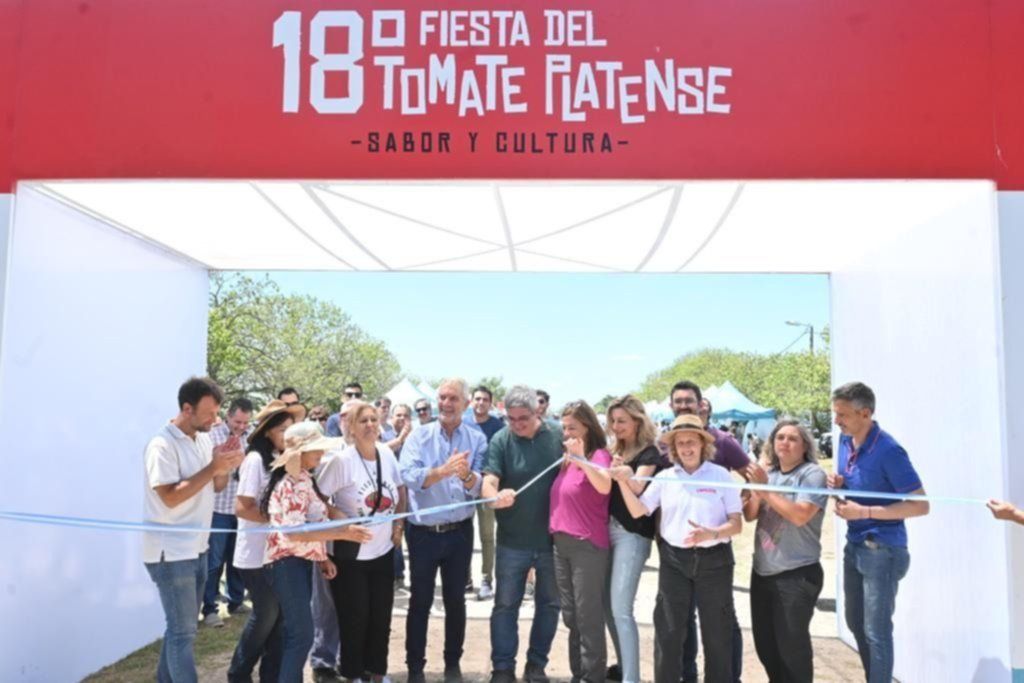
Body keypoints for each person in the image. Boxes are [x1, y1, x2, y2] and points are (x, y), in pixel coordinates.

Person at [614, 413, 742, 683]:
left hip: (715, 561)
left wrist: (711, 533)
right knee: (669, 632)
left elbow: (736, 524)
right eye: (680, 443)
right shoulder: (665, 478)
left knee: (717, 633)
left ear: (703, 444)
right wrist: (623, 481)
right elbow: (638, 510)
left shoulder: (721, 476)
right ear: (673, 447)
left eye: (691, 441)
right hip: (674, 561)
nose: (686, 448)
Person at [143, 377, 244, 683]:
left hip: (197, 547)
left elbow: (216, 486)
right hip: (171, 552)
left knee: (180, 630)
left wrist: (224, 466)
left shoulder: (202, 439)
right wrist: (213, 468)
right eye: (209, 413)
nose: (216, 420)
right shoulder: (161, 445)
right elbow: (170, 497)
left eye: (217, 413)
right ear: (187, 409)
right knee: (183, 632)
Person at [828, 382, 929, 683]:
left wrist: (864, 512)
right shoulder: (845, 440)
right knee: (855, 622)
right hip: (854, 545)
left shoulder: (889, 450)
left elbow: (920, 505)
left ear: (866, 413)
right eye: (835, 413)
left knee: (876, 632)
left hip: (883, 551)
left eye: (843, 415)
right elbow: (857, 483)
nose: (836, 421)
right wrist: (839, 484)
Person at [260, 422, 373, 683]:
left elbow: (313, 523)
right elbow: (294, 533)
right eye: (316, 449)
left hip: (299, 563)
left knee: (298, 633)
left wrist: (322, 557)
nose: (321, 454)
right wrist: (342, 533)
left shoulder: (305, 479)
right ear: (299, 453)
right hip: (286, 563)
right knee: (301, 634)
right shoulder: (288, 485)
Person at [400, 379, 486, 683]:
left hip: (459, 532)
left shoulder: (477, 439)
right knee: (420, 602)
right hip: (423, 533)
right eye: (442, 397)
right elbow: (409, 476)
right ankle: (415, 668)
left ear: (465, 404)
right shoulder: (418, 436)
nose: (446, 404)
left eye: (453, 398)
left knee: (456, 602)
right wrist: (443, 471)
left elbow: (479, 487)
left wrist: (466, 476)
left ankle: (452, 665)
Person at [320, 401, 407, 683]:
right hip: (350, 554)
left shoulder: (386, 454)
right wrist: (338, 516)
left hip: (383, 550)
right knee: (354, 618)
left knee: (381, 617)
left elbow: (400, 489)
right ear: (351, 428)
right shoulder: (342, 461)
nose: (370, 425)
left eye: (373, 419)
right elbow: (317, 497)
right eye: (363, 421)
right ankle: (353, 674)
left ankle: (377, 673)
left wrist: (398, 525)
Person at [482, 385, 563, 683]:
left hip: (552, 541)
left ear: (537, 411)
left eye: (523, 418)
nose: (516, 424)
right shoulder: (501, 439)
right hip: (512, 541)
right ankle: (503, 668)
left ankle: (536, 666)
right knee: (505, 606)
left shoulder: (558, 435)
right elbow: (488, 481)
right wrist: (493, 497)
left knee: (549, 605)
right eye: (511, 418)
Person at [669, 381, 747, 682]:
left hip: (713, 547)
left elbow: (751, 476)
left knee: (721, 620)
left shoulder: (724, 441)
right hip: (675, 548)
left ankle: (730, 677)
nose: (683, 405)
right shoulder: (667, 442)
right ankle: (688, 675)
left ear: (701, 404)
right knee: (682, 619)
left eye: (688, 400)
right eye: (678, 401)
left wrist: (734, 507)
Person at [742, 419, 827, 683]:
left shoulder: (812, 474)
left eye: (792, 438)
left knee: (792, 648)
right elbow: (750, 515)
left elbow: (801, 515)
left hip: (797, 573)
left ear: (805, 446)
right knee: (766, 645)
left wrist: (764, 489)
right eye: (780, 437)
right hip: (762, 572)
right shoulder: (770, 474)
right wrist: (754, 489)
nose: (785, 443)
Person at [228, 399, 306, 682]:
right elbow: (242, 507)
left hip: (278, 554)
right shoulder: (254, 461)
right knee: (265, 615)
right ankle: (238, 672)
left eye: (291, 428)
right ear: (267, 431)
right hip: (254, 554)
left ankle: (270, 675)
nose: (288, 434)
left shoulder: (284, 460)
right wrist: (278, 519)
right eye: (282, 429)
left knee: (280, 617)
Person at [550, 401, 612, 683]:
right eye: (564, 428)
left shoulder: (598, 455)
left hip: (587, 545)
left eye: (572, 427)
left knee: (588, 615)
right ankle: (580, 673)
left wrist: (580, 459)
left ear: (587, 427)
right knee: (571, 615)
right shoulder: (567, 459)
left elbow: (604, 485)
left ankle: (592, 676)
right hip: (561, 544)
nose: (566, 433)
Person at [604, 395, 664, 683]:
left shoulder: (650, 452)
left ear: (637, 421)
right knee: (608, 607)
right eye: (613, 421)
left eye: (622, 421)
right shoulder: (614, 450)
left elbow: (639, 489)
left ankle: (632, 678)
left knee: (621, 609)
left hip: (633, 535)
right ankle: (624, 668)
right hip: (607, 531)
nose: (616, 426)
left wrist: (625, 474)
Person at [202, 397, 254, 628]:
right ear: (228, 416)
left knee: (237, 559)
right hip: (217, 508)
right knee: (214, 562)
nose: (241, 427)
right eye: (237, 422)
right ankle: (209, 608)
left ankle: (235, 600)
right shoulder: (211, 436)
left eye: (245, 422)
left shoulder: (251, 437)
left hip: (241, 509)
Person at [467, 385, 506, 600]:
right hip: (464, 485)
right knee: (463, 533)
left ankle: (486, 579)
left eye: (485, 399)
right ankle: (465, 578)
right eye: (477, 399)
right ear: (471, 401)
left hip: (487, 485)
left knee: (487, 535)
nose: (481, 402)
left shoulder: (498, 426)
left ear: (490, 403)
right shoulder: (463, 423)